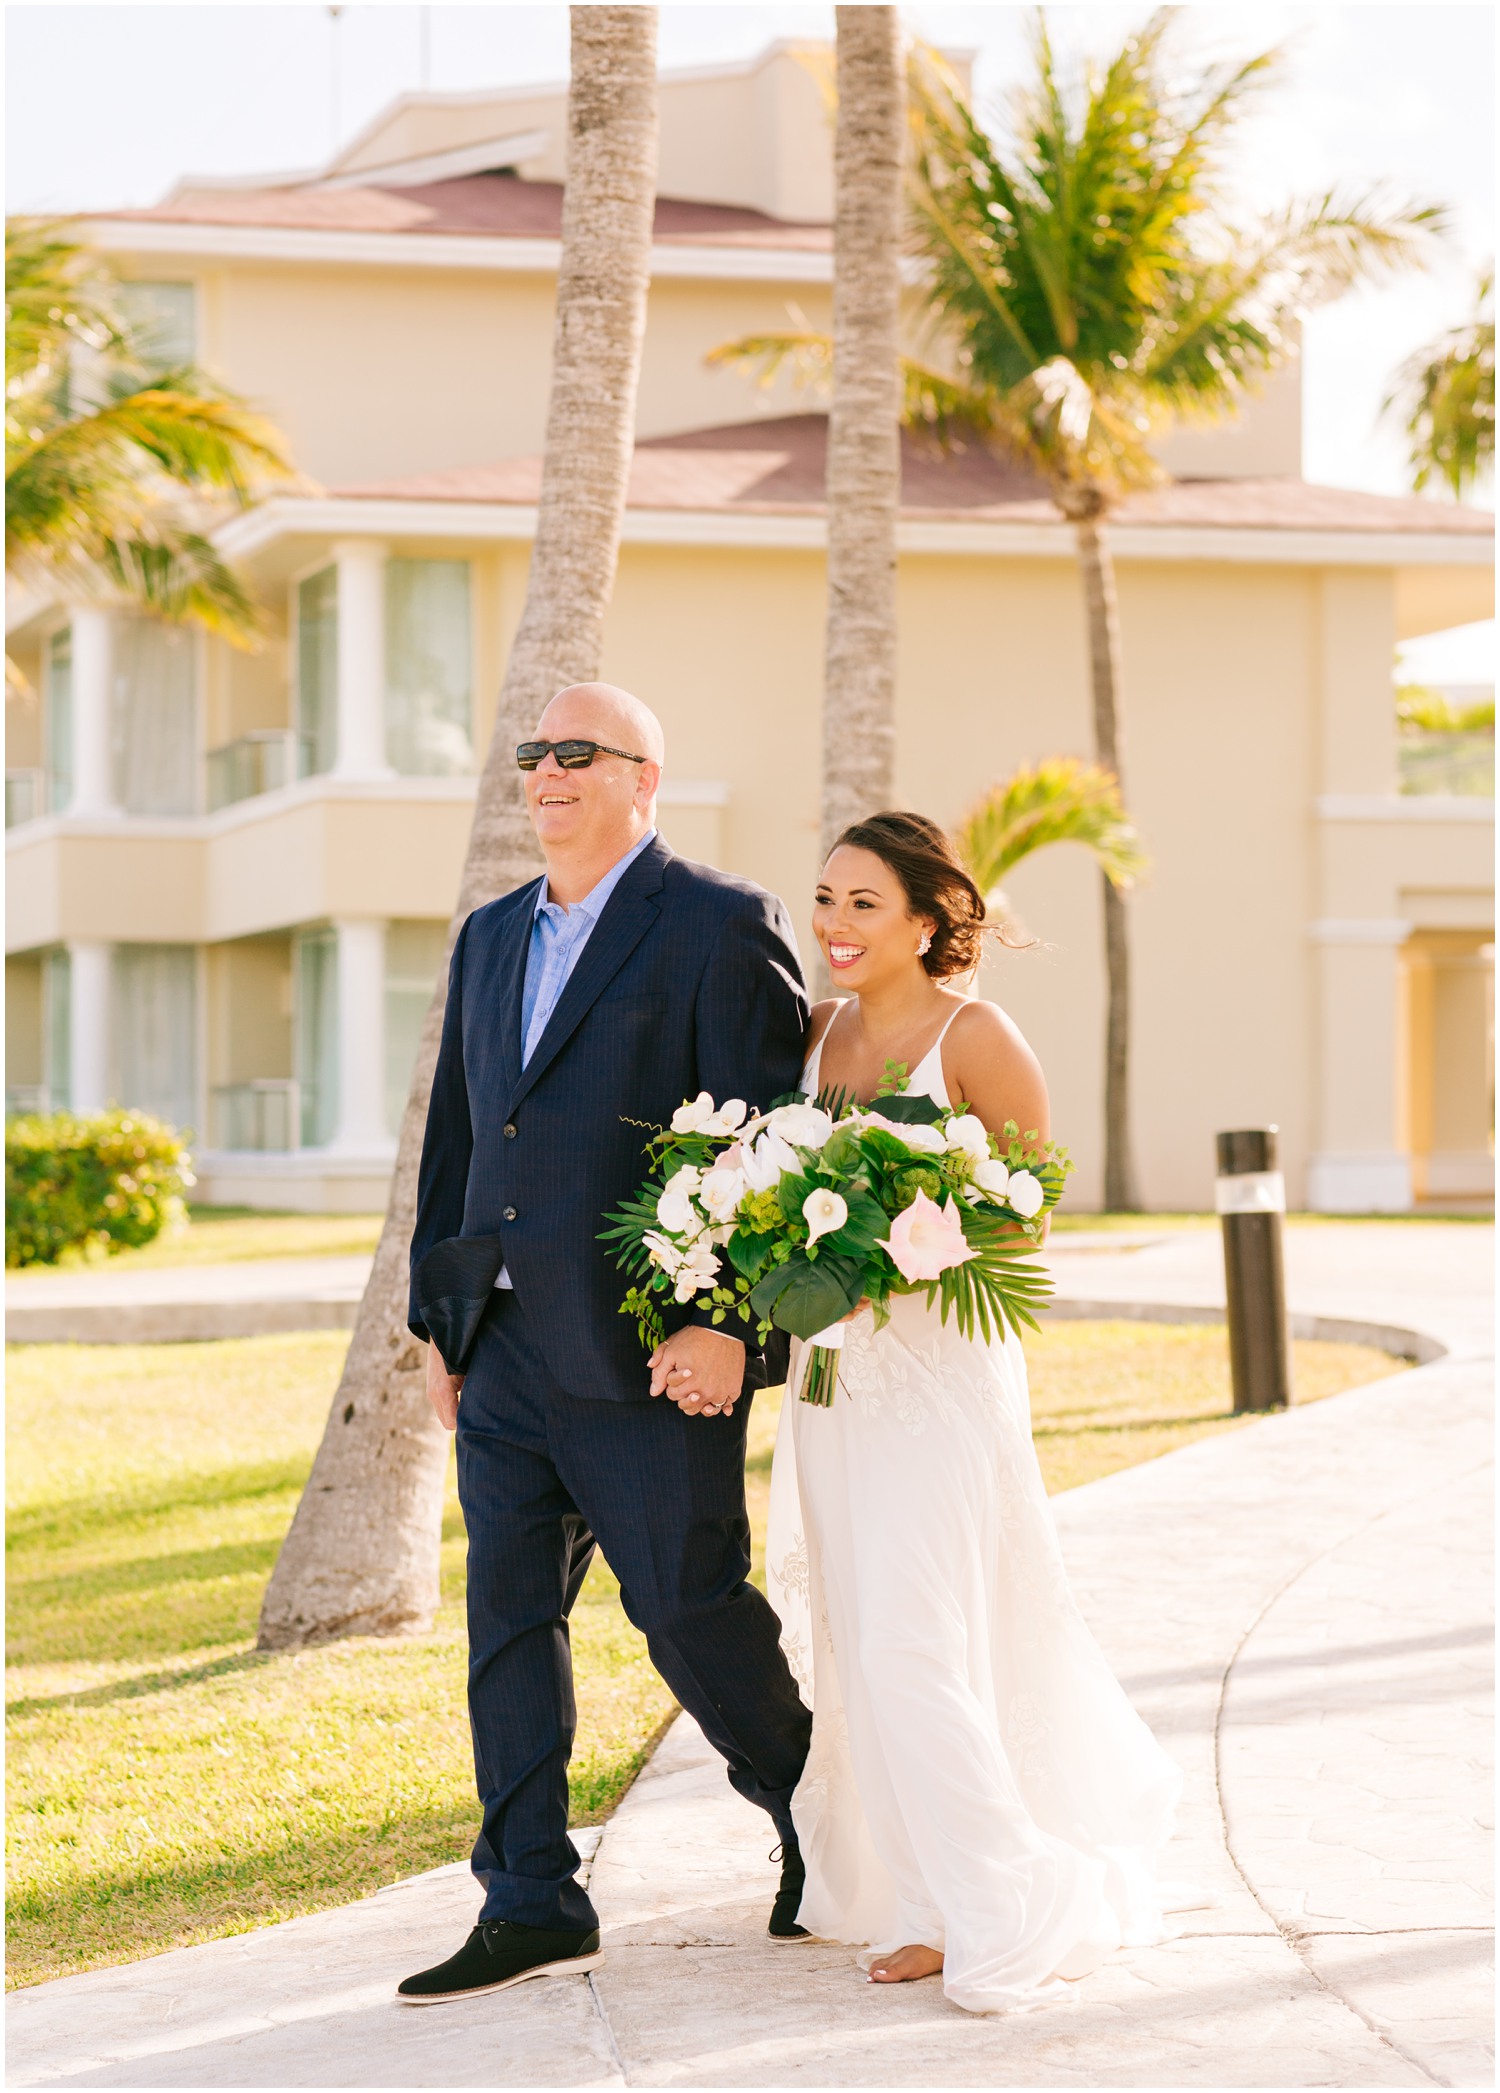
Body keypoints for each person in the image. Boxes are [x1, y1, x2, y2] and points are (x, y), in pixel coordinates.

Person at [398, 683, 813, 2005]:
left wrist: (730, 1325)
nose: (547, 773)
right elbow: (460, 1139)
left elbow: (765, 1140)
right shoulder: (486, 939)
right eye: (534, 754)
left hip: (651, 1345)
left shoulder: (714, 922)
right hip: (506, 1345)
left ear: (646, 778)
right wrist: (441, 1320)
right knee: (508, 1623)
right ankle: (528, 1893)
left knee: (687, 1604)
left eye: (577, 753)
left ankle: (823, 1817)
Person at [766, 810, 1183, 2015]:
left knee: (915, 1637)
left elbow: (1027, 1218)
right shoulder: (819, 1031)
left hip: (940, 1383)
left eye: (862, 904)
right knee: (861, 1639)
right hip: (834, 1384)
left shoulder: (977, 1035)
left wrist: (894, 1247)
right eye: (826, 898)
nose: (835, 925)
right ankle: (932, 1902)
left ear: (928, 919)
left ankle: (1017, 1895)